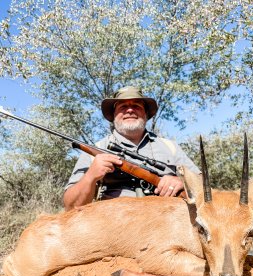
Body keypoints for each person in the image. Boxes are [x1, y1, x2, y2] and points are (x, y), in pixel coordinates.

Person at [63, 86, 200, 211]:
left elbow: (203, 183)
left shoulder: (170, 146)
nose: (129, 110)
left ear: (145, 114)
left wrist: (182, 181)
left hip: (168, 227)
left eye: (136, 105)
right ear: (114, 115)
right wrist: (91, 176)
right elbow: (71, 206)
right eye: (122, 106)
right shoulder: (95, 151)